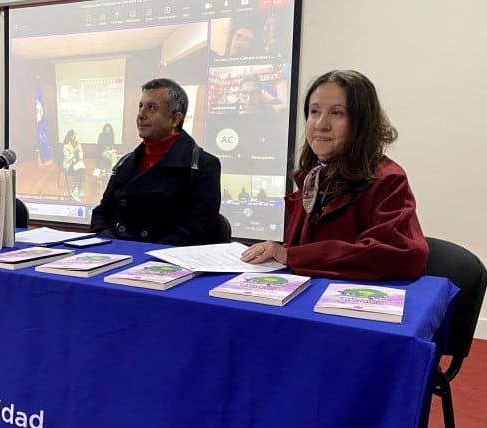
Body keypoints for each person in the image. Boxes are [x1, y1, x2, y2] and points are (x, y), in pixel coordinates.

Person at [241, 70, 428, 280]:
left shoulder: (388, 179)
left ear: (361, 123)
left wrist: (290, 255)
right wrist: (277, 252)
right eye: (314, 112)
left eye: (337, 113)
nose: (321, 124)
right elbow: (303, 250)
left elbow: (398, 255)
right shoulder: (314, 174)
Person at [91, 78, 228, 246]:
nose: (141, 115)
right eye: (140, 106)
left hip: (164, 261)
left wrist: (143, 252)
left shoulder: (202, 165)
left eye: (152, 108)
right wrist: (110, 244)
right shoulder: (125, 162)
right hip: (117, 254)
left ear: (175, 119)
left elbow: (198, 229)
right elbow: (101, 213)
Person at [61, 129, 85, 201]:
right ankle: (76, 190)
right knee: (80, 170)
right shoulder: (65, 146)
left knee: (81, 169)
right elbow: (68, 158)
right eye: (73, 135)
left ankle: (78, 189)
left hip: (77, 162)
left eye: (75, 135)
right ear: (70, 136)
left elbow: (81, 152)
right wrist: (74, 151)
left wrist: (80, 158)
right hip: (68, 165)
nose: (75, 137)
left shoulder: (77, 143)